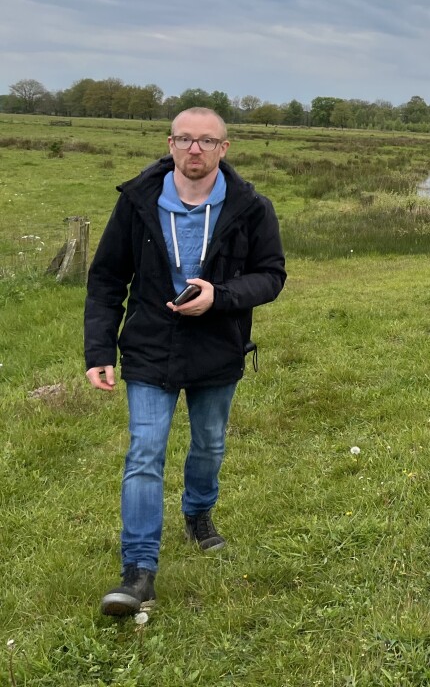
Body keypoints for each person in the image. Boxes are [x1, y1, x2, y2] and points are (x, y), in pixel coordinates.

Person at [84, 107, 286, 617]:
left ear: (225, 148)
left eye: (206, 141)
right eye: (185, 139)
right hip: (150, 346)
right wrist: (99, 350)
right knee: (144, 453)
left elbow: (271, 275)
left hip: (218, 345)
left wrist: (220, 295)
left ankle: (198, 514)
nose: (195, 149)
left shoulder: (252, 208)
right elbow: (108, 278)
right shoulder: (137, 203)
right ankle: (138, 573)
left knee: (209, 444)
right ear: (170, 144)